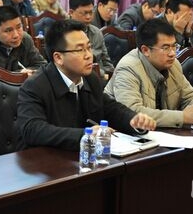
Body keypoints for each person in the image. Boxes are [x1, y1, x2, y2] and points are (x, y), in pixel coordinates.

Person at [16, 19, 156, 150]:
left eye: (89, 47)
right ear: (58, 58)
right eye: (80, 50)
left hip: (83, 157)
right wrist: (85, 135)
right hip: (45, 161)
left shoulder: (90, 78)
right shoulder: (34, 86)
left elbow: (110, 108)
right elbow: (33, 129)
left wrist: (133, 119)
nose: (89, 55)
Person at [104, 19, 193, 128]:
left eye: (174, 46)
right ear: (145, 50)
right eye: (166, 48)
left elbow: (190, 95)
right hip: (122, 132)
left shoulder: (174, 65)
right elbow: (133, 113)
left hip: (161, 132)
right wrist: (182, 117)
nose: (172, 53)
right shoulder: (128, 68)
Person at [67, 0, 115, 76]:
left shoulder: (96, 33)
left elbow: (106, 62)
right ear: (71, 12)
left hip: (100, 78)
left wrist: (112, 76)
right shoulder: (63, 34)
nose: (88, 17)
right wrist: (102, 74)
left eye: (91, 12)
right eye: (85, 13)